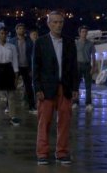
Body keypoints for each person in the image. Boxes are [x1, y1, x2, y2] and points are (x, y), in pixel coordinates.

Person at [32, 11, 79, 165]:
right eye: (55, 22)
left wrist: (75, 88)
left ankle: (62, 152)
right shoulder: (40, 42)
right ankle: (42, 153)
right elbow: (36, 67)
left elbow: (73, 67)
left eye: (60, 22)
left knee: (65, 121)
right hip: (46, 89)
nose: (58, 25)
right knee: (44, 121)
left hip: (65, 88)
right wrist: (37, 88)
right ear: (48, 24)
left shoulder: (70, 42)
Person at [0, 28, 21, 126]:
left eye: (5, 33)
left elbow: (15, 62)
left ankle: (12, 117)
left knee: (11, 96)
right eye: (1, 33)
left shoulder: (12, 47)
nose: (3, 35)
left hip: (9, 70)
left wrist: (16, 76)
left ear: (7, 35)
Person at [14, 23, 37, 113]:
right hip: (16, 67)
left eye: (23, 28)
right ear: (16, 30)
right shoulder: (12, 41)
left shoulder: (29, 41)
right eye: (19, 28)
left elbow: (32, 55)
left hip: (26, 67)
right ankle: (8, 106)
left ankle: (32, 106)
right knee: (12, 87)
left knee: (29, 88)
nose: (21, 30)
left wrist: (31, 68)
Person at [75, 26, 97, 112]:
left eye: (85, 32)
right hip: (78, 65)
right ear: (79, 33)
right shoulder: (76, 43)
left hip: (87, 65)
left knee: (88, 86)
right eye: (82, 32)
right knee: (76, 86)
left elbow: (93, 56)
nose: (84, 33)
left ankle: (88, 103)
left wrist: (94, 67)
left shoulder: (90, 44)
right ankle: (75, 102)